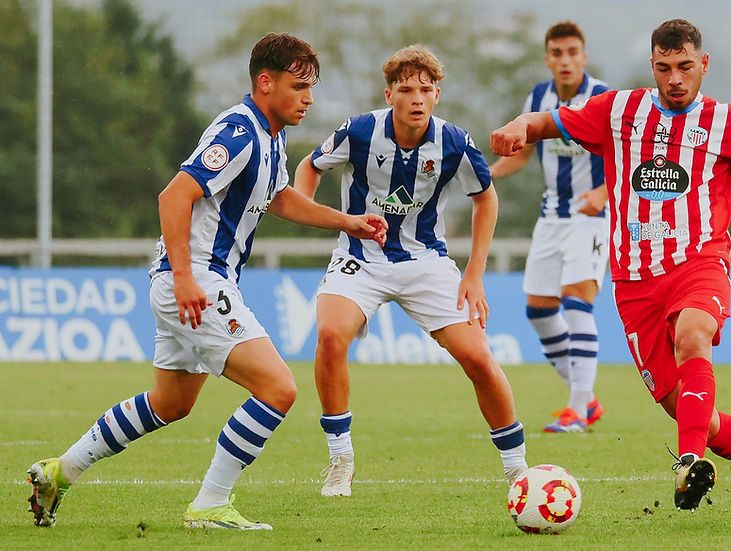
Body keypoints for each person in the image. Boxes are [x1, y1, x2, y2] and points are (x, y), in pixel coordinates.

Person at [492, 18, 731, 523]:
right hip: (633, 281)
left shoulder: (728, 122)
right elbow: (546, 124)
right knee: (698, 416)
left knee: (694, 335)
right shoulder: (617, 110)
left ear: (704, 65)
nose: (675, 78)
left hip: (699, 261)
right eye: (665, 68)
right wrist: (522, 124)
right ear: (653, 66)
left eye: (685, 67)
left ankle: (688, 460)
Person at [26, 33, 387, 530]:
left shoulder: (271, 135)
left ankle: (58, 472)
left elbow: (280, 197)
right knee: (278, 388)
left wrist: (347, 221)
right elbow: (173, 197)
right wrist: (184, 278)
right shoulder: (239, 131)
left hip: (191, 280)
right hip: (196, 280)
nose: (309, 98)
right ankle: (211, 504)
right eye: (299, 85)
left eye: (312, 88)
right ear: (265, 81)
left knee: (171, 403)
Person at [294, 45, 528, 498]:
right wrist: (312, 213)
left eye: (425, 89)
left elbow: (486, 197)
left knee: (479, 358)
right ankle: (340, 459)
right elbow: (309, 166)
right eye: (406, 89)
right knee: (329, 335)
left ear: (437, 95)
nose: (416, 98)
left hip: (426, 262)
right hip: (359, 258)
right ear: (390, 95)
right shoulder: (360, 131)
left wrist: (473, 275)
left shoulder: (455, 141)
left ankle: (518, 471)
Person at [489, 21, 609, 434]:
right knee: (539, 310)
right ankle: (586, 399)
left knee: (577, 303)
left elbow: (631, 155)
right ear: (547, 58)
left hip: (591, 217)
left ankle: (576, 408)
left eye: (572, 51)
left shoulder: (604, 98)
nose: (565, 60)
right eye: (557, 53)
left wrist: (604, 191)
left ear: (584, 57)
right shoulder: (538, 98)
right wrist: (485, 175)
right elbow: (521, 155)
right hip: (551, 215)